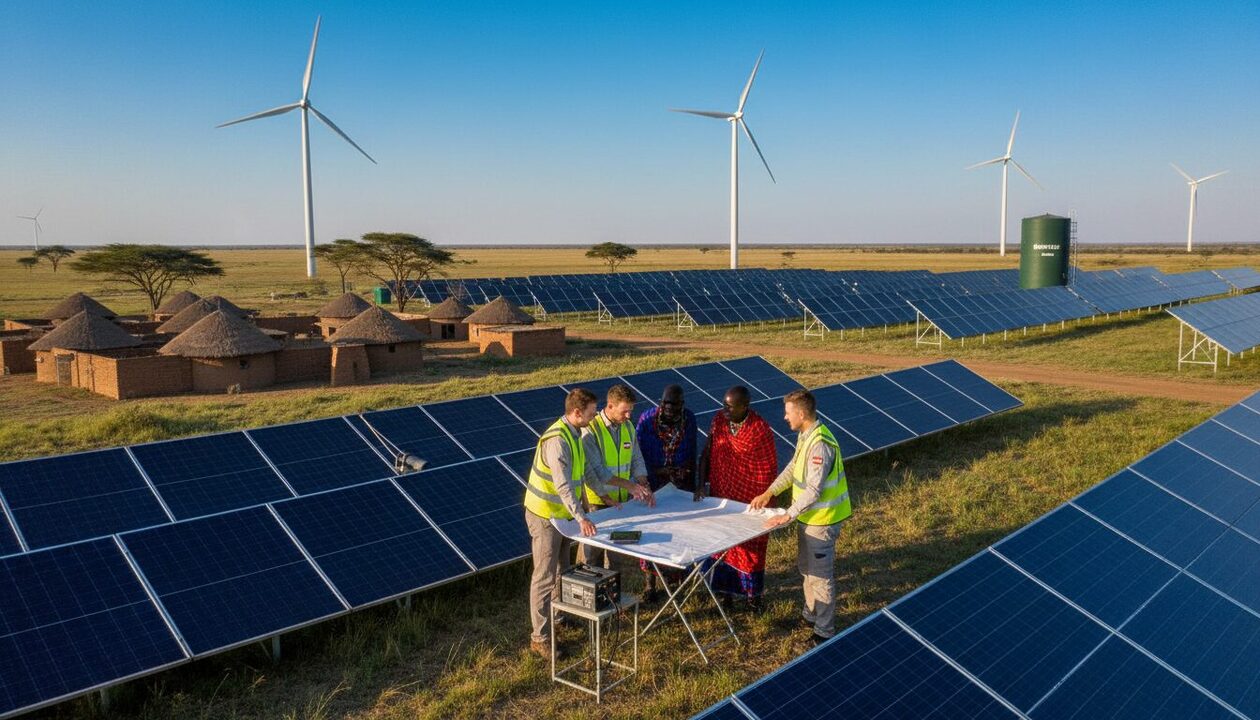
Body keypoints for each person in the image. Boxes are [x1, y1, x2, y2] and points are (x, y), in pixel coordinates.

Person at [523, 387, 653, 656]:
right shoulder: (558, 440)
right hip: (545, 514)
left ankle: (558, 617)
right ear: (576, 412)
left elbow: (589, 475)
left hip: (562, 515)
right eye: (592, 412)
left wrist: (606, 497)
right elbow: (563, 486)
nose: (595, 416)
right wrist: (582, 516)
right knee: (544, 577)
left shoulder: (576, 435)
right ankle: (540, 638)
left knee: (562, 569)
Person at [749, 389, 851, 645]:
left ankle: (824, 631)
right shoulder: (806, 436)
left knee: (820, 576)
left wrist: (788, 515)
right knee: (806, 570)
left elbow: (814, 490)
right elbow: (794, 467)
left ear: (802, 413)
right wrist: (769, 492)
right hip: (809, 519)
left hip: (822, 521)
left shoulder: (820, 445)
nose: (785, 418)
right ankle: (810, 615)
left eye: (788, 413)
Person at [697, 386, 778, 611]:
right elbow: (707, 452)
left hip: (749, 499)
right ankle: (725, 596)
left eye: (730, 407)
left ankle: (753, 598)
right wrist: (701, 483)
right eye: (723, 404)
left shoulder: (759, 429)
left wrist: (761, 497)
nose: (724, 410)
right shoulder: (719, 421)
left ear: (745, 406)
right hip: (722, 495)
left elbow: (767, 469)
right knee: (722, 544)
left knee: (749, 547)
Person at [635, 383, 698, 600]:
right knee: (653, 534)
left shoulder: (689, 419)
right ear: (661, 402)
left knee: (679, 534)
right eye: (666, 404)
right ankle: (650, 586)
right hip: (653, 485)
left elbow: (692, 450)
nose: (669, 408)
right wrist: (659, 471)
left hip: (680, 485)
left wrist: (687, 474)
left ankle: (678, 583)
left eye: (674, 405)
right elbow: (638, 454)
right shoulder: (646, 420)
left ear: (682, 405)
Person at [578, 383, 652, 567]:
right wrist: (632, 486)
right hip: (598, 501)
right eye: (624, 411)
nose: (628, 416)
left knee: (617, 550)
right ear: (610, 406)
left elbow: (636, 457)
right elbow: (598, 471)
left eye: (630, 411)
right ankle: (590, 588)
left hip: (622, 501)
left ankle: (611, 591)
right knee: (592, 552)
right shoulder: (591, 429)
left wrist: (644, 483)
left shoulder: (627, 426)